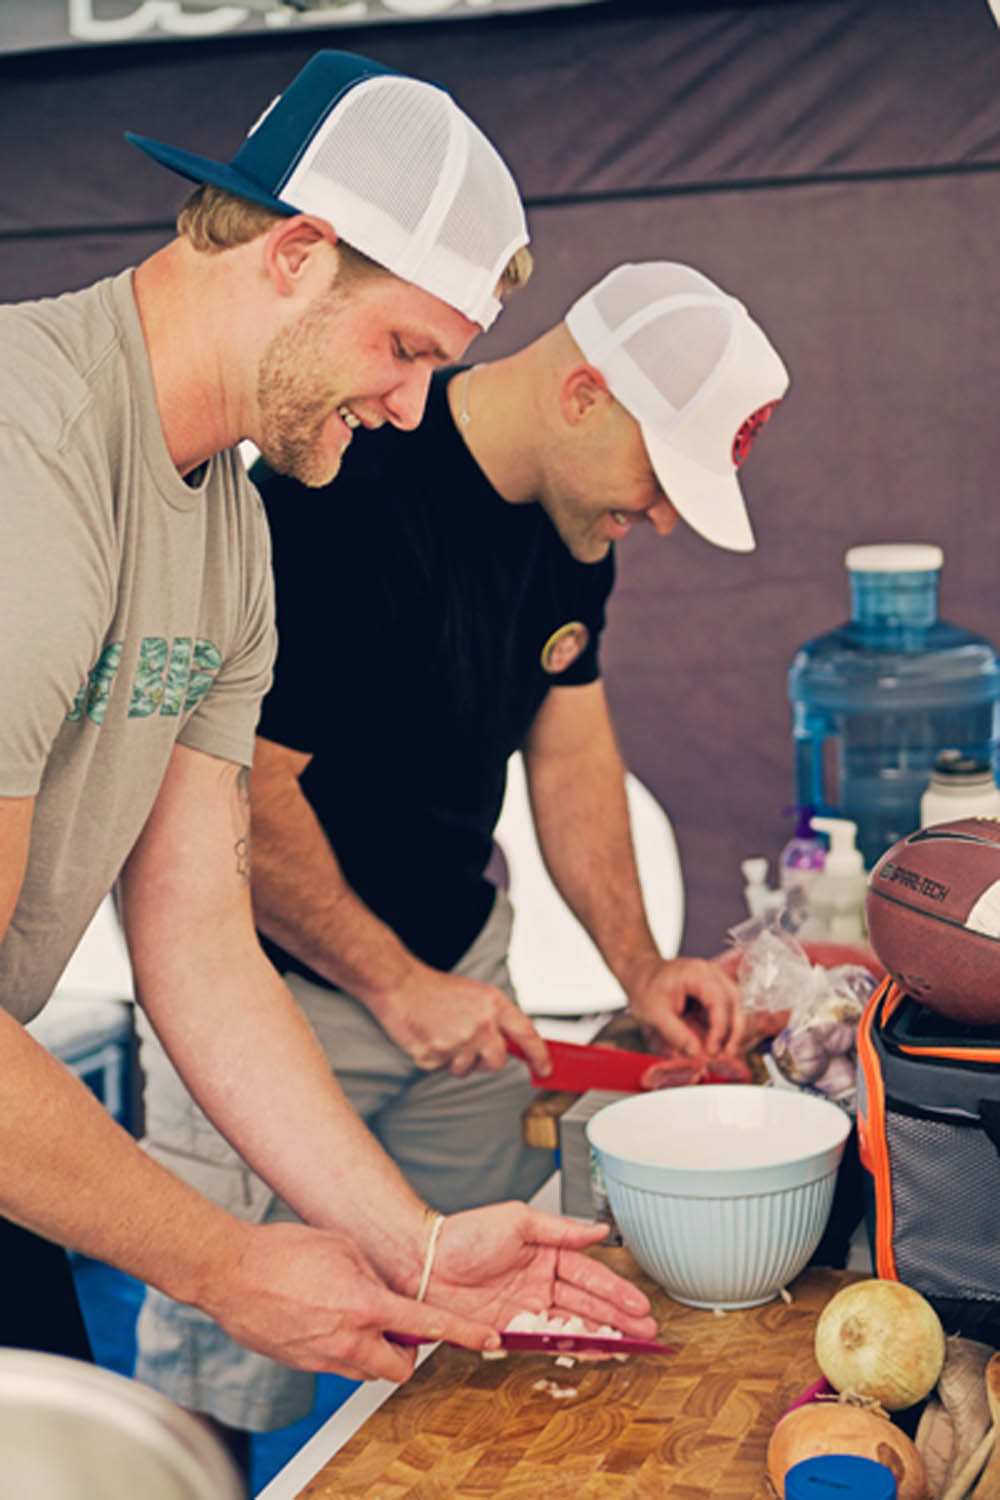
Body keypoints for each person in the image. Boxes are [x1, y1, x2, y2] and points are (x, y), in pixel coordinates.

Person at [0, 49, 659, 1390]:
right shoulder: (32, 452)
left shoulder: (232, 533)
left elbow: (195, 937)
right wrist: (224, 1265)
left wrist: (409, 1245)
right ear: (297, 253)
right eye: (405, 347)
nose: (409, 405)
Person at [134, 261, 791, 1442]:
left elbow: (572, 747)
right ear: (585, 393)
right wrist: (391, 984)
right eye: (658, 482)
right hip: (262, 995)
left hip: (458, 971)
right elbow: (243, 802)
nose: (655, 517)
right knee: (226, 1377)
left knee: (481, 1323)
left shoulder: (574, 525)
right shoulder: (330, 492)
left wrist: (641, 972)